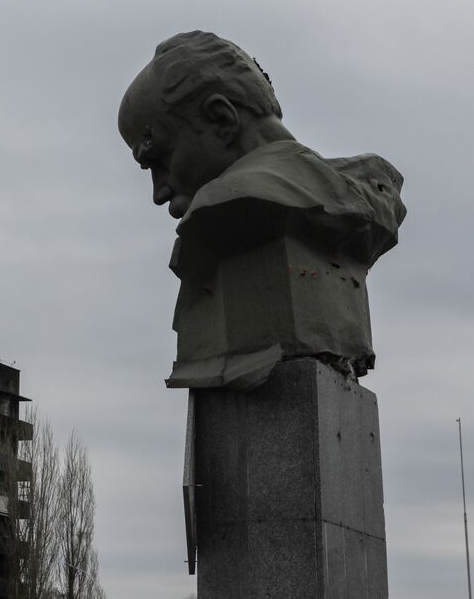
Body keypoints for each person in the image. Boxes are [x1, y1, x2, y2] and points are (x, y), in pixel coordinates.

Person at [118, 31, 406, 389]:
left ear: (222, 120)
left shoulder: (240, 206)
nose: (158, 193)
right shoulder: (359, 192)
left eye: (159, 159)